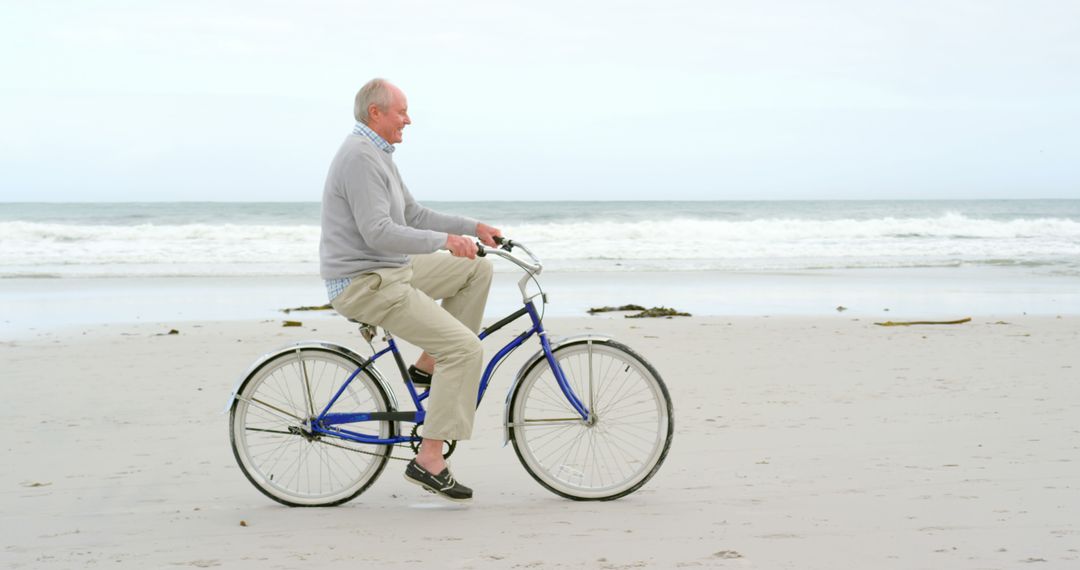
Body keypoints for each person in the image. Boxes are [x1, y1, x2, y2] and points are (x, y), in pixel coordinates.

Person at [319, 78, 501, 502]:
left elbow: (413, 214)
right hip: (366, 282)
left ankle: (428, 364)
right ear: (375, 113)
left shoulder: (378, 154)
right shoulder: (360, 157)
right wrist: (443, 242)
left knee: (475, 272)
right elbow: (379, 232)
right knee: (467, 349)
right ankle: (429, 460)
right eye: (401, 111)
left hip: (389, 269)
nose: (408, 119)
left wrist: (471, 229)